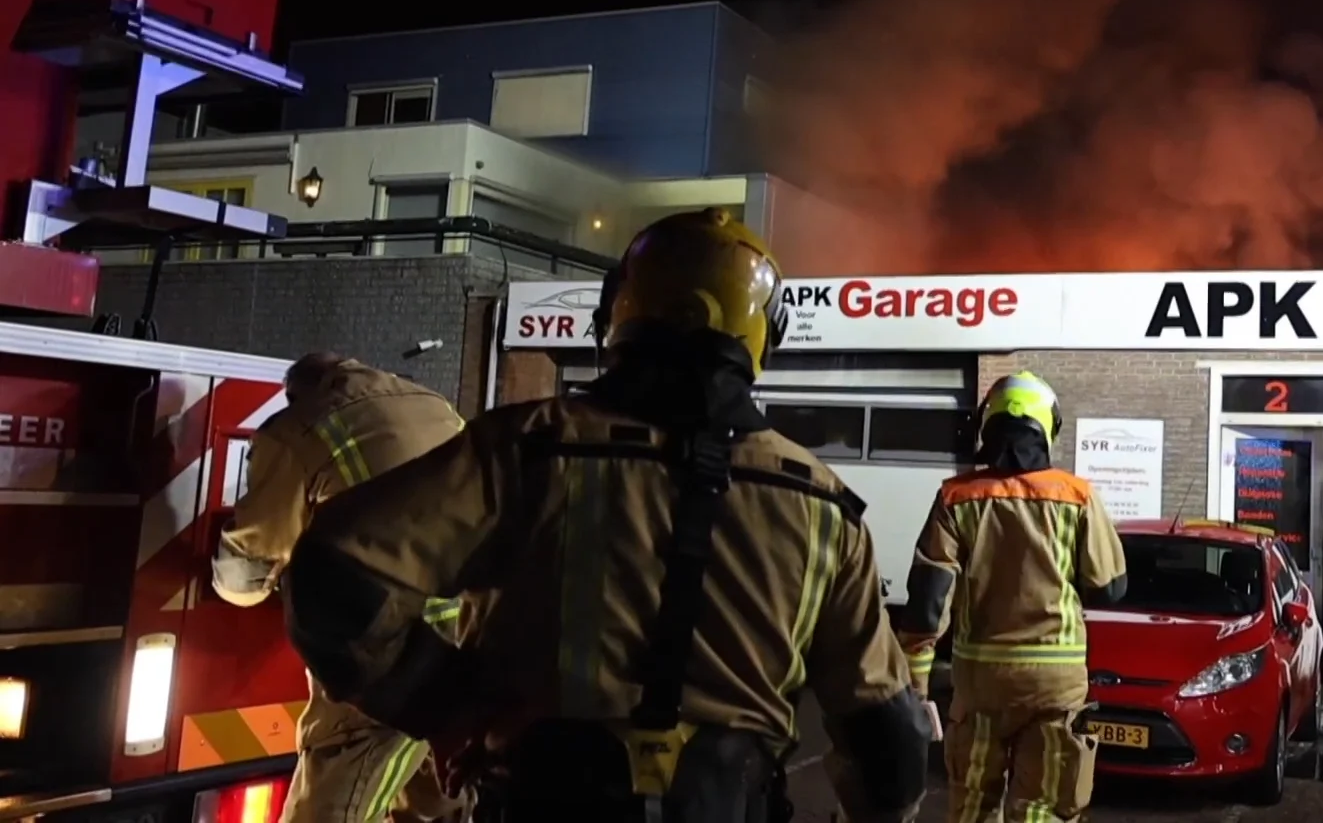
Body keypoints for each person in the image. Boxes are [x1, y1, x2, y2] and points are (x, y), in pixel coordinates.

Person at [278, 208, 930, 823]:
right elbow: (888, 744)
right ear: (764, 334)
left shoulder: (524, 449)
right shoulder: (823, 506)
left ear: (621, 310)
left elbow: (333, 581)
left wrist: (449, 708)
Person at [210, 352, 470, 823]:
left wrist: (238, 578)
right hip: (468, 637)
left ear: (296, 393)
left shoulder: (296, 429)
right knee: (437, 798)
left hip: (389, 646)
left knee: (337, 792)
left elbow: (251, 562)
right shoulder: (433, 404)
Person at [897, 371, 1129, 823]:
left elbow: (927, 603)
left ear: (989, 425)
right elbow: (1111, 588)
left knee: (972, 807)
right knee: (1043, 808)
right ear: (1048, 427)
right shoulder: (1077, 497)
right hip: (1055, 685)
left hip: (980, 683)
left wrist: (917, 688)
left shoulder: (955, 497)